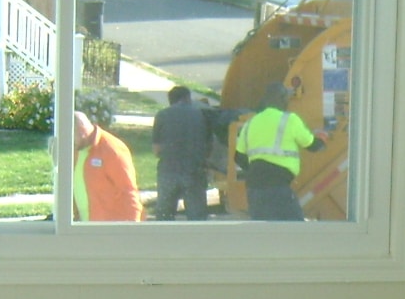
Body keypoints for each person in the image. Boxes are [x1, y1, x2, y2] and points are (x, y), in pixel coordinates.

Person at [233, 82, 328, 222]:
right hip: (278, 188)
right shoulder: (289, 120)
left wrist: (258, 168)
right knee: (294, 230)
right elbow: (312, 145)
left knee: (265, 233)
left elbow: (239, 157)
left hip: (254, 189)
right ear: (283, 99)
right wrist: (323, 139)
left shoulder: (251, 123)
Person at [149, 85, 234, 221]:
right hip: (194, 172)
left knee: (164, 217)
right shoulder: (200, 115)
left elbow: (156, 149)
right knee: (197, 218)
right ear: (187, 98)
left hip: (168, 172)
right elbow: (209, 146)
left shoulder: (162, 115)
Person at [71, 111, 144, 222]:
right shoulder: (76, 148)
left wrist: (132, 230)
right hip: (85, 226)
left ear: (81, 130)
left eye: (70, 136)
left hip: (109, 230)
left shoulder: (112, 149)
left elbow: (129, 192)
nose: (69, 141)